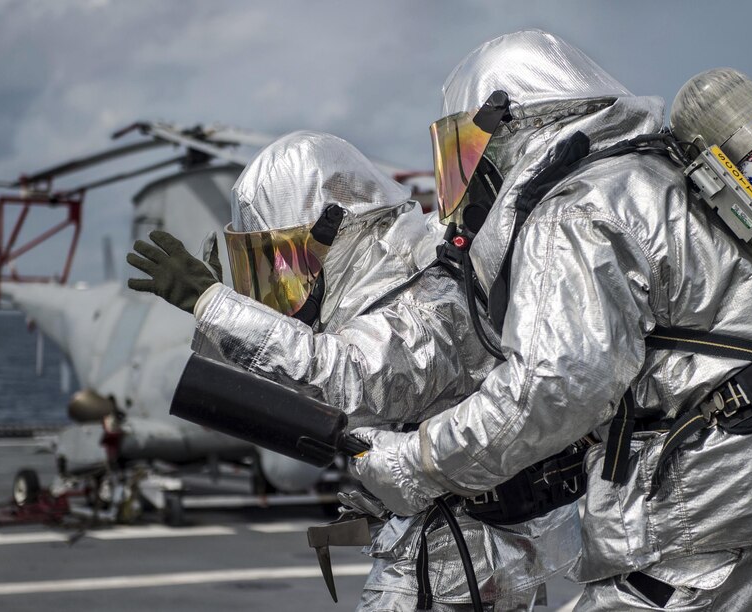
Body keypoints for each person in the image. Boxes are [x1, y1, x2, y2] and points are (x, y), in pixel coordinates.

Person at [350, 30, 752, 611]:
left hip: (724, 507)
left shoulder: (577, 208)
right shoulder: (669, 176)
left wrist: (415, 462)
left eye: (468, 148)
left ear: (507, 127)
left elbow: (555, 386)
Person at [127, 130, 580, 611]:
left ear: (335, 233)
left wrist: (215, 306)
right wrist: (228, 323)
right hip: (439, 549)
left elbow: (348, 379)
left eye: (284, 262)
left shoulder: (430, 297)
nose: (281, 286)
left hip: (463, 563)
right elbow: (291, 395)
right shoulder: (379, 302)